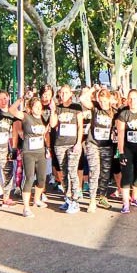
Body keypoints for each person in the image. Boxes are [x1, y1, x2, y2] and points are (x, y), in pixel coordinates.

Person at [50, 85, 84, 214]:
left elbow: (80, 126)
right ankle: (68, 198)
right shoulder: (58, 108)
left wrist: (78, 143)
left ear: (70, 93)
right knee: (63, 173)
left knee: (72, 170)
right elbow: (53, 124)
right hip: (60, 144)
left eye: (66, 92)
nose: (63, 94)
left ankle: (75, 200)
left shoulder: (76, 107)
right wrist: (53, 110)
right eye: (61, 92)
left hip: (73, 144)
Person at [15, 97, 50, 217]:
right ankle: (26, 208)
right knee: (29, 178)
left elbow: (49, 130)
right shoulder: (26, 116)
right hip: (29, 152)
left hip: (41, 153)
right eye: (36, 106)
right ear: (30, 108)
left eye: (40, 107)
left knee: (41, 179)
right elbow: (11, 110)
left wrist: (48, 148)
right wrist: (19, 101)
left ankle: (36, 199)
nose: (39, 109)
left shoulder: (43, 118)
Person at [85, 87, 117, 211]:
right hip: (93, 144)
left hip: (107, 145)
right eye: (101, 101)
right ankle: (92, 200)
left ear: (109, 100)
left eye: (105, 101)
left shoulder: (114, 111)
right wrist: (93, 89)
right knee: (94, 171)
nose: (103, 103)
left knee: (105, 173)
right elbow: (83, 99)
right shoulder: (95, 107)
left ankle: (102, 197)